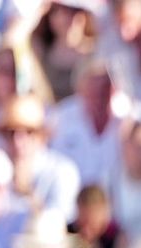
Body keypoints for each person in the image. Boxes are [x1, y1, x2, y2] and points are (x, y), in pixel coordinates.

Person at [45, 60, 124, 191]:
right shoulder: (59, 118)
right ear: (80, 90)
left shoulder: (129, 118)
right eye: (93, 91)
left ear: (114, 90)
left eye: (104, 91)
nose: (99, 98)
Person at [0, 94, 80, 219]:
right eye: (11, 132)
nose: (18, 141)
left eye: (28, 132)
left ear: (42, 135)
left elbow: (58, 225)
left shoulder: (62, 172)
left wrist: (27, 192)